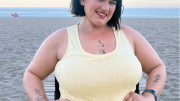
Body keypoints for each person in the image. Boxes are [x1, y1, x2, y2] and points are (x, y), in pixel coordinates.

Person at [23, 0, 166, 101]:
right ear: (82, 0)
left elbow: (157, 67)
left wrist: (149, 95)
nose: (106, 7)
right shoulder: (60, 39)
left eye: (112, 2)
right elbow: (32, 74)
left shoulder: (129, 36)